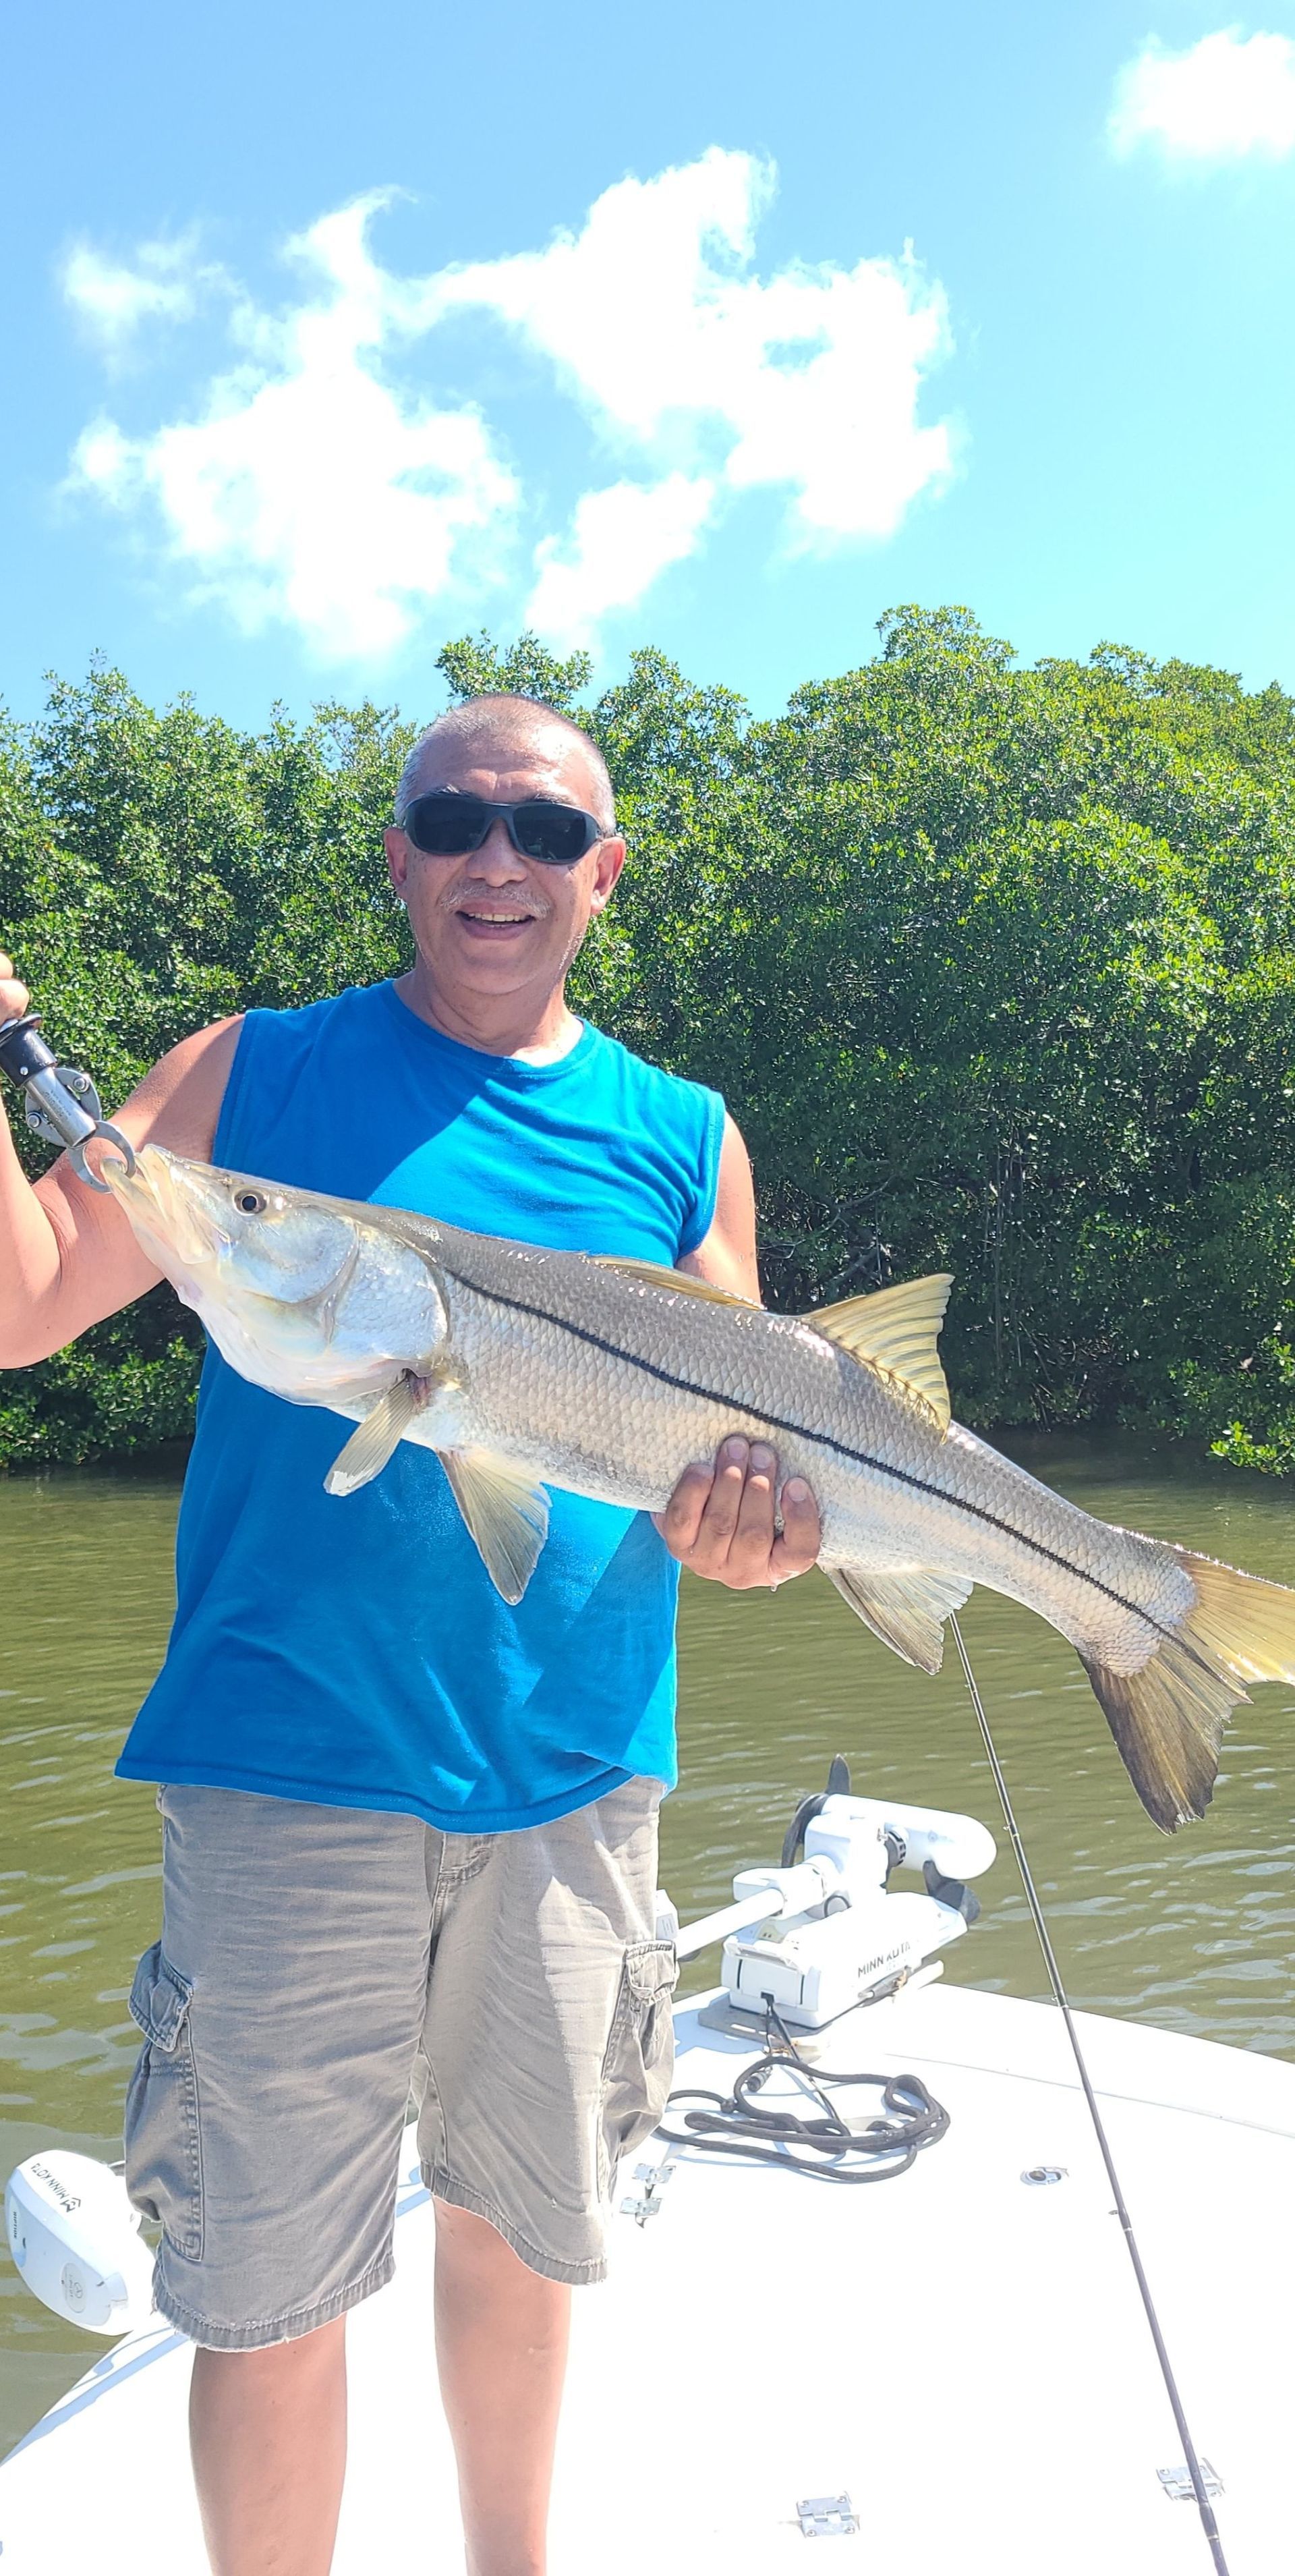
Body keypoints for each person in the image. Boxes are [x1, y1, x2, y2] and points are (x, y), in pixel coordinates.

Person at [0, 694, 822, 2576]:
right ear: (398, 855)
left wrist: (764, 1537)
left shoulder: (684, 1134)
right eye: (453, 818)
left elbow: (746, 1488)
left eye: (544, 833)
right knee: (266, 2284)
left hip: (573, 1777)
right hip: (287, 1766)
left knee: (524, 2232)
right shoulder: (248, 1081)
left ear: (603, 877)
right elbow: (29, 1302)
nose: (495, 861)